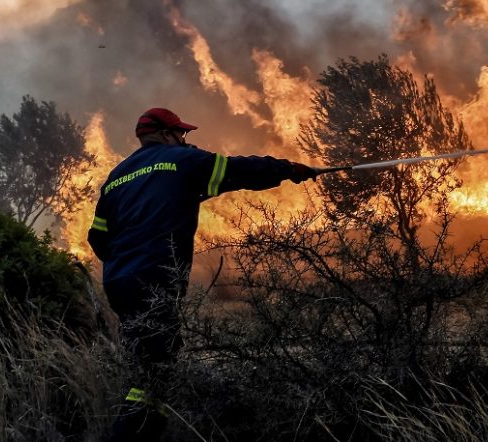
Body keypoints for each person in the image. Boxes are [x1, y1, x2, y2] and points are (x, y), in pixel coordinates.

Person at [87, 107, 317, 441]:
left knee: (148, 363)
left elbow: (97, 237)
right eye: (181, 133)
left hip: (119, 281)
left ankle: (140, 427)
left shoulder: (118, 177)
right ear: (167, 134)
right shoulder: (180, 159)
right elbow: (237, 170)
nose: (185, 139)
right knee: (157, 372)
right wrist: (288, 169)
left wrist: (126, 262)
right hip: (155, 277)